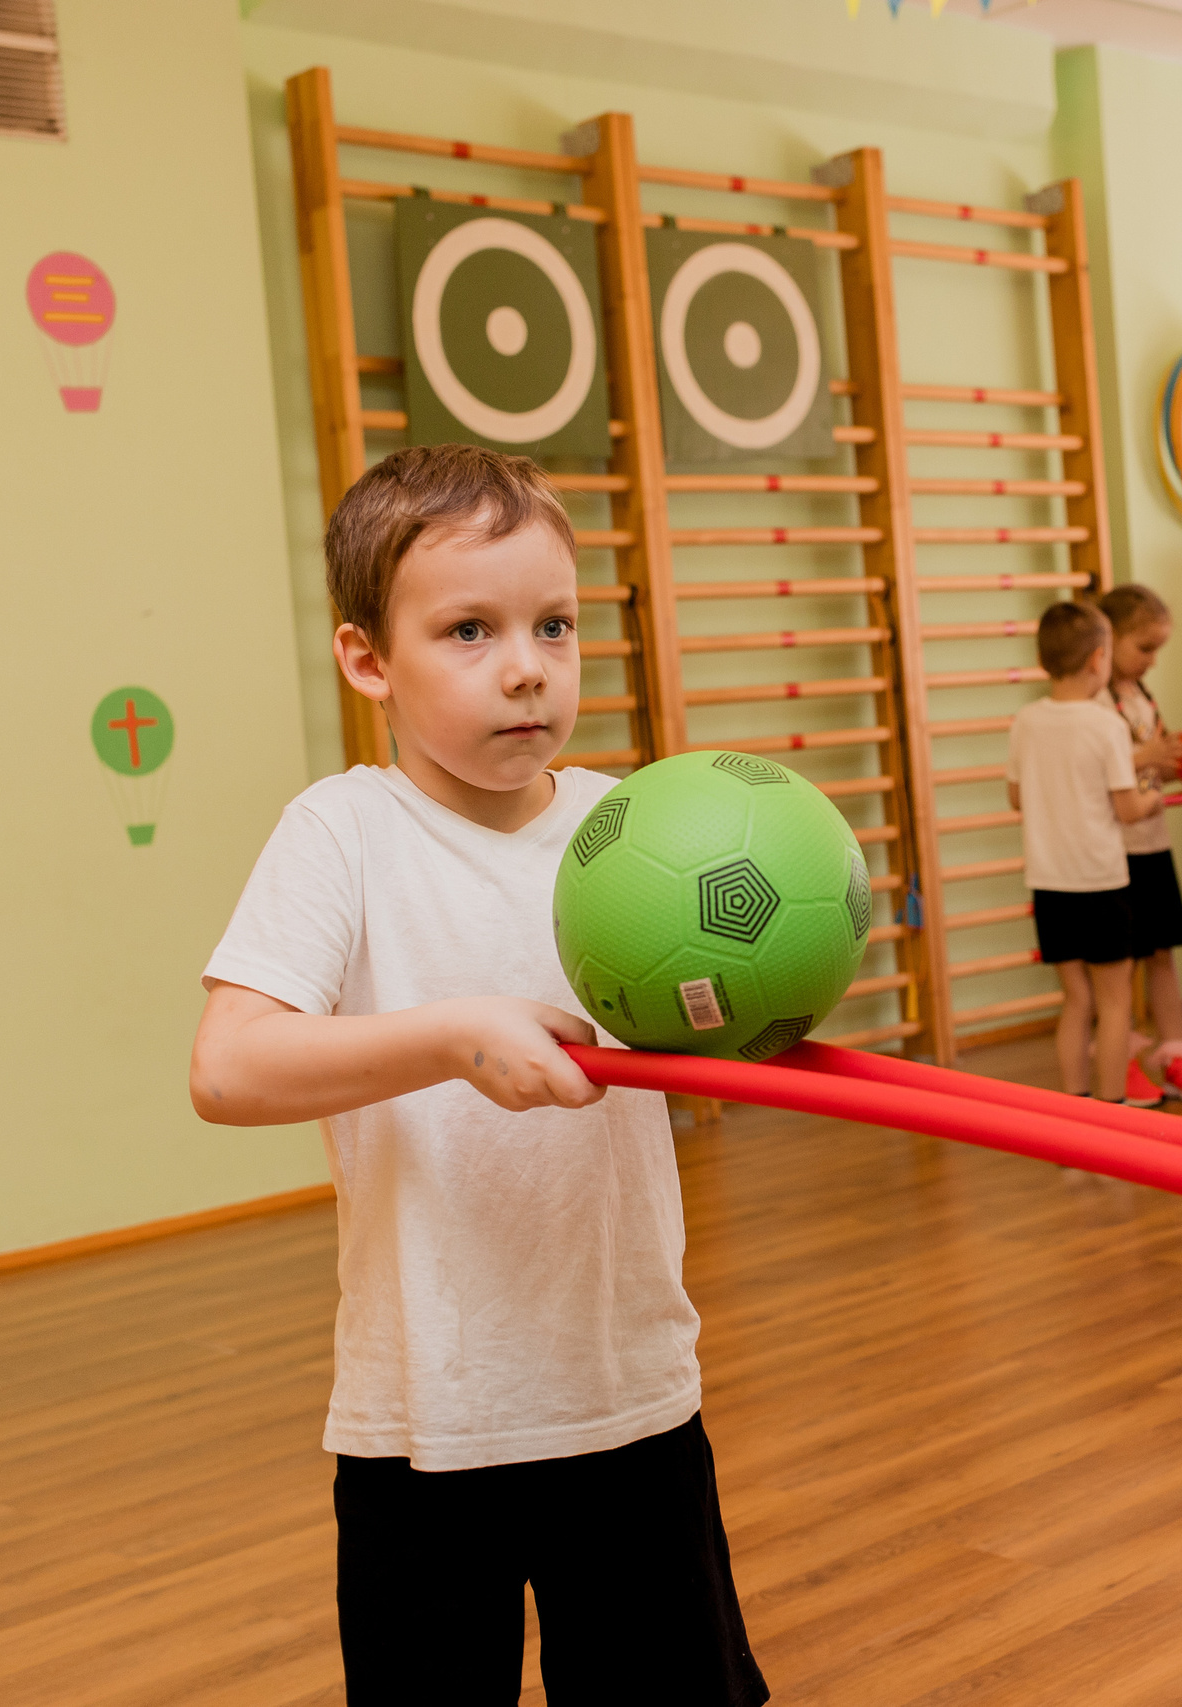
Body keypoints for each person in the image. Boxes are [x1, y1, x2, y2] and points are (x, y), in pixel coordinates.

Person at [187, 446, 768, 1706]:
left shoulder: (632, 835)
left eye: (553, 625)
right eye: (468, 630)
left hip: (630, 1395)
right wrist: (452, 1037)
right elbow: (228, 1067)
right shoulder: (343, 833)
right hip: (429, 1422)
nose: (526, 666)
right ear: (366, 661)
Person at [1007, 600, 1162, 1103]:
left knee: (1076, 1000)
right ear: (1099, 659)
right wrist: (1156, 796)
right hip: (1100, 882)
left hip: (1050, 884)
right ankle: (1112, 1110)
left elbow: (1016, 797)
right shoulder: (1105, 725)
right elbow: (1129, 809)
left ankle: (1074, 1106)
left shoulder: (1026, 721)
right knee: (1115, 1003)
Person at [1095, 584, 1182, 1105]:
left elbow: (1151, 774)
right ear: (1108, 641)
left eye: (1157, 650)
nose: (1151, 661)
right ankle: (1118, 1060)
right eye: (1144, 648)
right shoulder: (1094, 704)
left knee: (1163, 955)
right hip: (1111, 856)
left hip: (1152, 845)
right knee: (1117, 970)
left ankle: (1175, 1054)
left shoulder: (1142, 698)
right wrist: (1148, 757)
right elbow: (1102, 775)